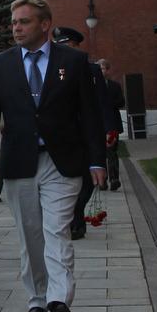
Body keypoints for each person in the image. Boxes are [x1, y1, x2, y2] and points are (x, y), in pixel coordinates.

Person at [0, 0, 106, 312]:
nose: (16, 28)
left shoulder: (73, 62)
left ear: (44, 24)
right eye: (14, 22)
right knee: (30, 235)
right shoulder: (1, 65)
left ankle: (59, 300)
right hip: (20, 162)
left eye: (24, 22)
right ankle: (37, 299)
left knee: (57, 229)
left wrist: (96, 160)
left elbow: (90, 115)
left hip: (61, 162)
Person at [50, 27, 123, 240]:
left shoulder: (91, 70)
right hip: (63, 135)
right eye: (59, 45)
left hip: (88, 134)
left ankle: (77, 212)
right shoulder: (51, 69)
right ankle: (74, 221)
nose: (63, 50)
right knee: (67, 180)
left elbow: (102, 103)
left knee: (88, 180)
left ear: (75, 46)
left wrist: (109, 129)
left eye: (67, 45)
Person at [98, 58, 125, 190]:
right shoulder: (92, 86)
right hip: (97, 125)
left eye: (103, 68)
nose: (101, 71)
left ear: (107, 70)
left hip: (112, 124)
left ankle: (114, 179)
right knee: (100, 153)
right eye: (99, 68)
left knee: (112, 152)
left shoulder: (114, 86)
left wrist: (109, 103)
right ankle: (102, 180)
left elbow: (121, 102)